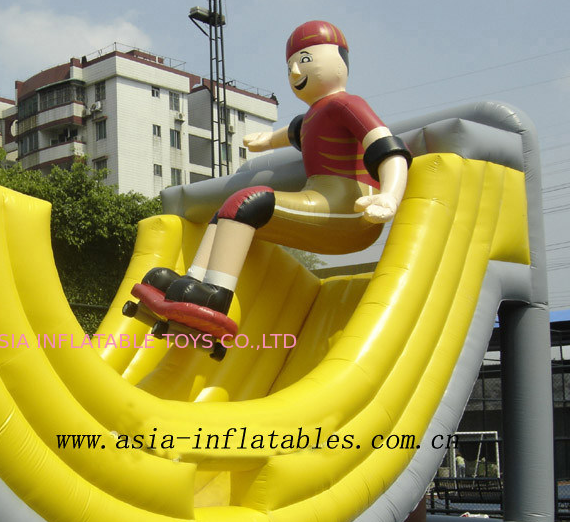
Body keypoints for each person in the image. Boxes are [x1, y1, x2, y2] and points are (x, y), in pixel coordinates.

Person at [145, 20, 411, 325]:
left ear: (339, 60)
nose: (295, 72)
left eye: (305, 60)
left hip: (351, 210)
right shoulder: (311, 117)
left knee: (248, 202)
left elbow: (387, 148)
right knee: (225, 212)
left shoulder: (347, 104)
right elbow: (293, 132)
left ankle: (216, 296)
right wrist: (267, 140)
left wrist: (390, 195)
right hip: (321, 202)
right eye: (290, 66)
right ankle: (192, 282)